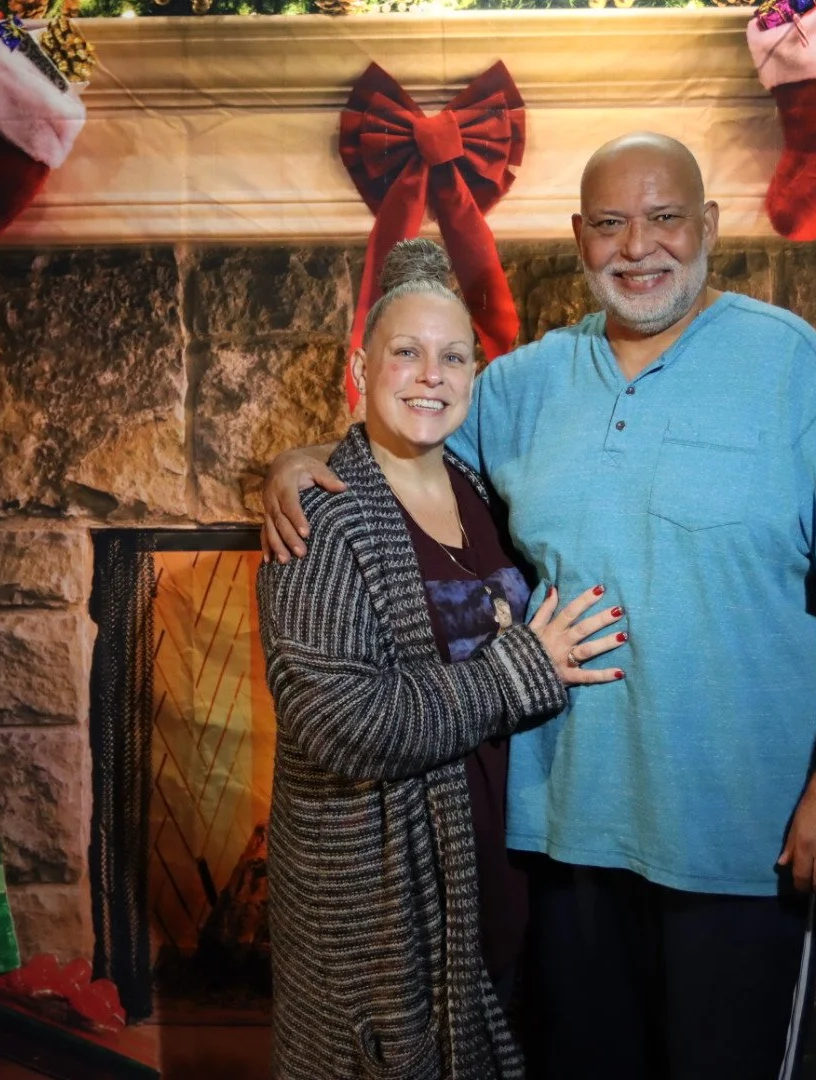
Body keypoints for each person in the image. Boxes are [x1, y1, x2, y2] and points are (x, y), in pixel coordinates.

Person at [260, 134, 816, 1080]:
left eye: (664, 219)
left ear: (708, 227)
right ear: (580, 238)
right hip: (561, 840)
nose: (638, 246)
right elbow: (410, 427)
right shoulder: (521, 387)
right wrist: (298, 462)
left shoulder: (792, 368)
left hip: (744, 838)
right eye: (610, 223)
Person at [257, 237, 627, 1080]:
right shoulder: (324, 518)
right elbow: (337, 723)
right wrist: (520, 671)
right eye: (407, 352)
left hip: (500, 856)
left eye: (452, 356)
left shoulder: (481, 482)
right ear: (362, 365)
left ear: (474, 372)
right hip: (391, 897)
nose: (431, 374)